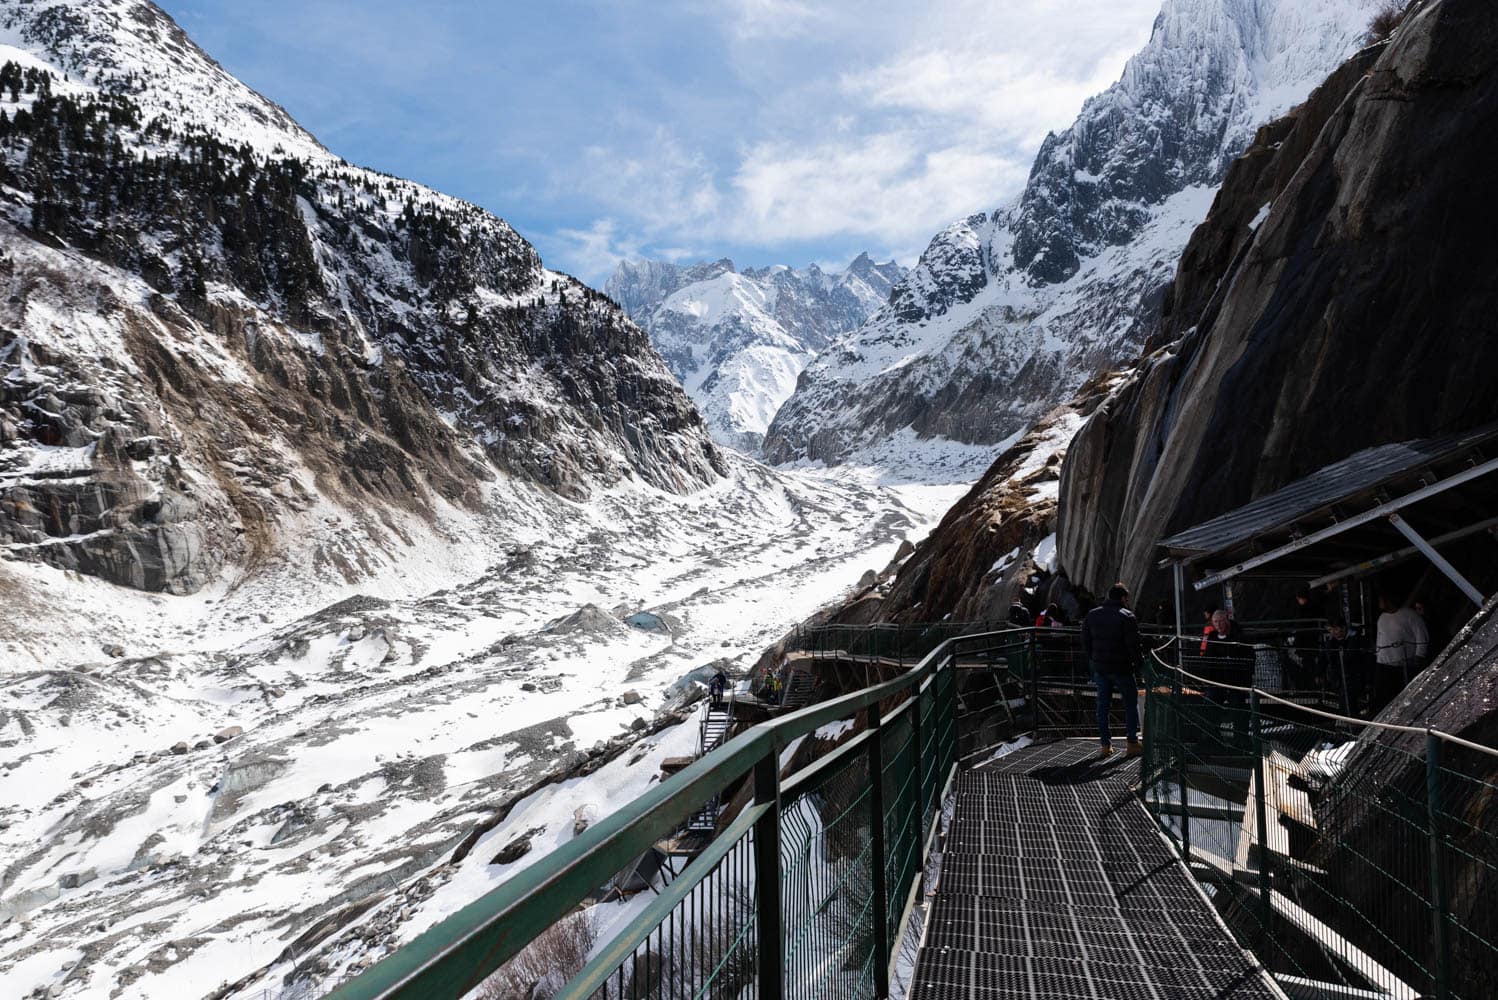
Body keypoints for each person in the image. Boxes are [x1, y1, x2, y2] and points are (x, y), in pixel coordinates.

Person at [1081, 582, 1142, 757]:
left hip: (1101, 668)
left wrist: (1094, 658)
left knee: (1102, 706)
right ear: (1123, 598)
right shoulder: (1127, 616)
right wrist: (1139, 666)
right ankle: (1131, 742)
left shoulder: (1092, 615)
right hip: (1122, 668)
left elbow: (1085, 641)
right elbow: (1134, 646)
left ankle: (1105, 746)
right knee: (1130, 703)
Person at [1373, 591, 1430, 713]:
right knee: (1384, 695)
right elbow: (1380, 638)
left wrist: (1419, 655)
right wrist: (1378, 655)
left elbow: (1421, 636)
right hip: (1384, 662)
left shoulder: (1410, 615)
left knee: (1403, 694)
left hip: (1404, 662)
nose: (1379, 603)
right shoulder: (1382, 618)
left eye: (1381, 600)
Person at [1322, 618, 1370, 715]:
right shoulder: (1331, 641)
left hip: (1354, 674)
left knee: (1349, 700)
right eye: (1330, 630)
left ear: (1343, 628)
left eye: (1335, 629)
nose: (1332, 632)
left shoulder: (1355, 639)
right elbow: (1325, 658)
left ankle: (1350, 721)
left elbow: (1357, 658)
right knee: (1345, 699)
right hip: (1339, 676)